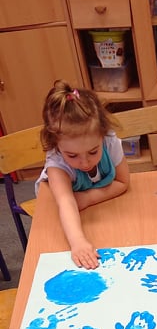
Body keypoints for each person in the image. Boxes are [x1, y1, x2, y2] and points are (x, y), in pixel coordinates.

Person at [36, 79, 130, 269]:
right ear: (56, 146)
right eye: (72, 155)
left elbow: (123, 182)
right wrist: (78, 241)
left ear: (102, 135)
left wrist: (87, 198)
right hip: (61, 213)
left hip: (95, 209)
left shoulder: (110, 142)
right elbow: (66, 202)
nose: (85, 163)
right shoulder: (57, 164)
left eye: (93, 152)